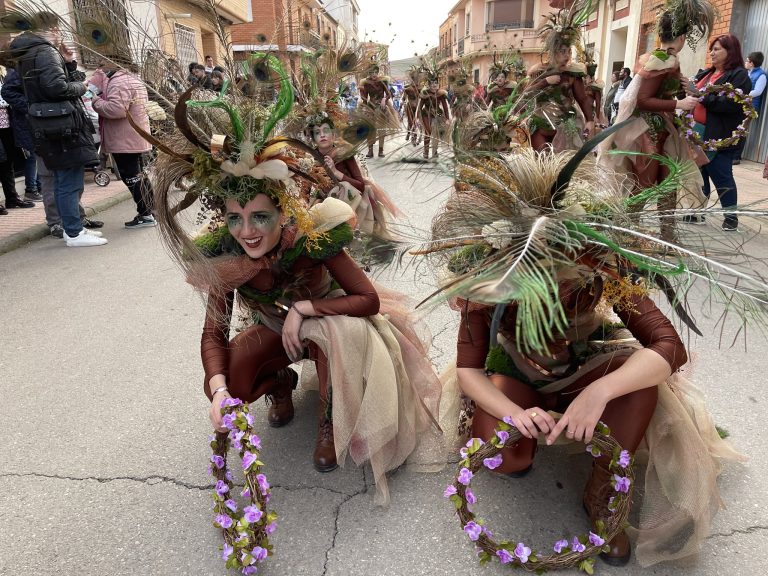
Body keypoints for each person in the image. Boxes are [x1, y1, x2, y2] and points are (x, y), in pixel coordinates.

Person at [428, 137, 747, 567]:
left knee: (640, 381)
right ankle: (530, 436)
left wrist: (599, 393)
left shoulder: (601, 266)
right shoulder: (484, 281)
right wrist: (514, 414)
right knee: (506, 459)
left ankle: (604, 486)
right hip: (518, 372)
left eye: (563, 275)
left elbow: (669, 346)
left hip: (587, 365)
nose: (554, 289)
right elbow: (469, 368)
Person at [151, 56, 441, 505]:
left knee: (329, 336)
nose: (246, 231)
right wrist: (220, 391)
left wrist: (307, 309)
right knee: (237, 376)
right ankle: (280, 384)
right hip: (273, 330)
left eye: (259, 217)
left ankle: (328, 420)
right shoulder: (225, 255)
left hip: (335, 324)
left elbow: (366, 300)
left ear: (283, 213)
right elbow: (213, 332)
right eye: (235, 218)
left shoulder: (314, 237)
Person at [599, 4, 713, 240]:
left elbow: (671, 95)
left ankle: (668, 237)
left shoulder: (669, 60)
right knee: (645, 184)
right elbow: (642, 100)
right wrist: (678, 105)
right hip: (647, 129)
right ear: (682, 37)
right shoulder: (661, 60)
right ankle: (626, 233)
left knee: (668, 183)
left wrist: (686, 91)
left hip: (664, 128)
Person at [10, 10, 106, 246]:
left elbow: (52, 84)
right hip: (59, 126)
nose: (59, 34)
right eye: (57, 29)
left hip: (54, 124)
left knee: (67, 179)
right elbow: (57, 88)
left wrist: (68, 63)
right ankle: (73, 232)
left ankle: (74, 228)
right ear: (50, 29)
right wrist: (82, 87)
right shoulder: (43, 52)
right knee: (66, 181)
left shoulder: (33, 53)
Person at [693, 34, 752, 231]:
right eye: (712, 49)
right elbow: (692, 95)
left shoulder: (738, 76)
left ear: (730, 51)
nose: (712, 53)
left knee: (721, 174)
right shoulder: (707, 73)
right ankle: (697, 211)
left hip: (720, 134)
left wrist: (701, 97)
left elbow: (731, 105)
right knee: (700, 173)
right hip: (698, 131)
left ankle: (730, 217)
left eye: (717, 49)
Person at [306, 114, 399, 239]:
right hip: (324, 201)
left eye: (326, 131)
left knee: (344, 189)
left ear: (333, 135)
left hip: (351, 200)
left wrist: (335, 172)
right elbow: (308, 187)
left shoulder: (344, 153)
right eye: (317, 133)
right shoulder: (310, 159)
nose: (322, 135)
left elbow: (360, 185)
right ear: (313, 139)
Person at [90, 55, 156, 228]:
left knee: (131, 176)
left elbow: (116, 109)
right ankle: (150, 211)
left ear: (113, 62)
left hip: (125, 137)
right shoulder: (130, 78)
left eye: (102, 64)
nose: (101, 68)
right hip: (132, 136)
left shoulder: (120, 81)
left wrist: (95, 99)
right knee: (138, 175)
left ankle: (146, 213)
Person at [526, 0, 594, 152]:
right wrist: (545, 82)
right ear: (552, 52)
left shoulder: (573, 74)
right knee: (542, 163)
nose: (567, 56)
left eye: (569, 51)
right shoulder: (538, 71)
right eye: (562, 52)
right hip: (540, 124)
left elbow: (582, 98)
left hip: (566, 126)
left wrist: (590, 120)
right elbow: (526, 94)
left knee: (562, 167)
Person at [358, 64, 396, 158]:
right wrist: (364, 107)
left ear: (378, 72)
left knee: (381, 129)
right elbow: (364, 98)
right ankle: (370, 151)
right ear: (369, 73)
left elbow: (388, 94)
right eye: (371, 72)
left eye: (375, 72)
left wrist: (384, 100)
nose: (374, 74)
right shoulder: (366, 83)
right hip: (370, 107)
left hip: (381, 107)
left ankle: (381, 150)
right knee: (369, 129)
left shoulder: (382, 81)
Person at [735, 52, 766, 164]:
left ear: (751, 63)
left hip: (751, 107)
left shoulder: (761, 75)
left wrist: (744, 94)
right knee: (736, 128)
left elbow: (758, 91)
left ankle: (736, 157)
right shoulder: (748, 73)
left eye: (747, 60)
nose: (745, 62)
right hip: (742, 104)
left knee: (742, 130)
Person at [415, 66, 450, 160]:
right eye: (432, 83)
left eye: (436, 83)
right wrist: (418, 118)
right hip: (426, 115)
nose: (434, 85)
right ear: (429, 85)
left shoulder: (441, 93)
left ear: (438, 84)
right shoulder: (424, 93)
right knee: (428, 132)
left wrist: (447, 119)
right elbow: (419, 107)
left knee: (436, 132)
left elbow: (445, 107)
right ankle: (426, 151)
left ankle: (434, 151)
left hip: (438, 115)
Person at [402, 66, 421, 144]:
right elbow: (403, 98)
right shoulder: (407, 89)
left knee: (417, 122)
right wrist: (402, 102)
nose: (415, 80)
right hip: (409, 107)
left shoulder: (421, 88)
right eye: (414, 79)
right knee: (411, 122)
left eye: (416, 79)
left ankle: (413, 135)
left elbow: (424, 98)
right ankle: (411, 134)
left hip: (418, 108)